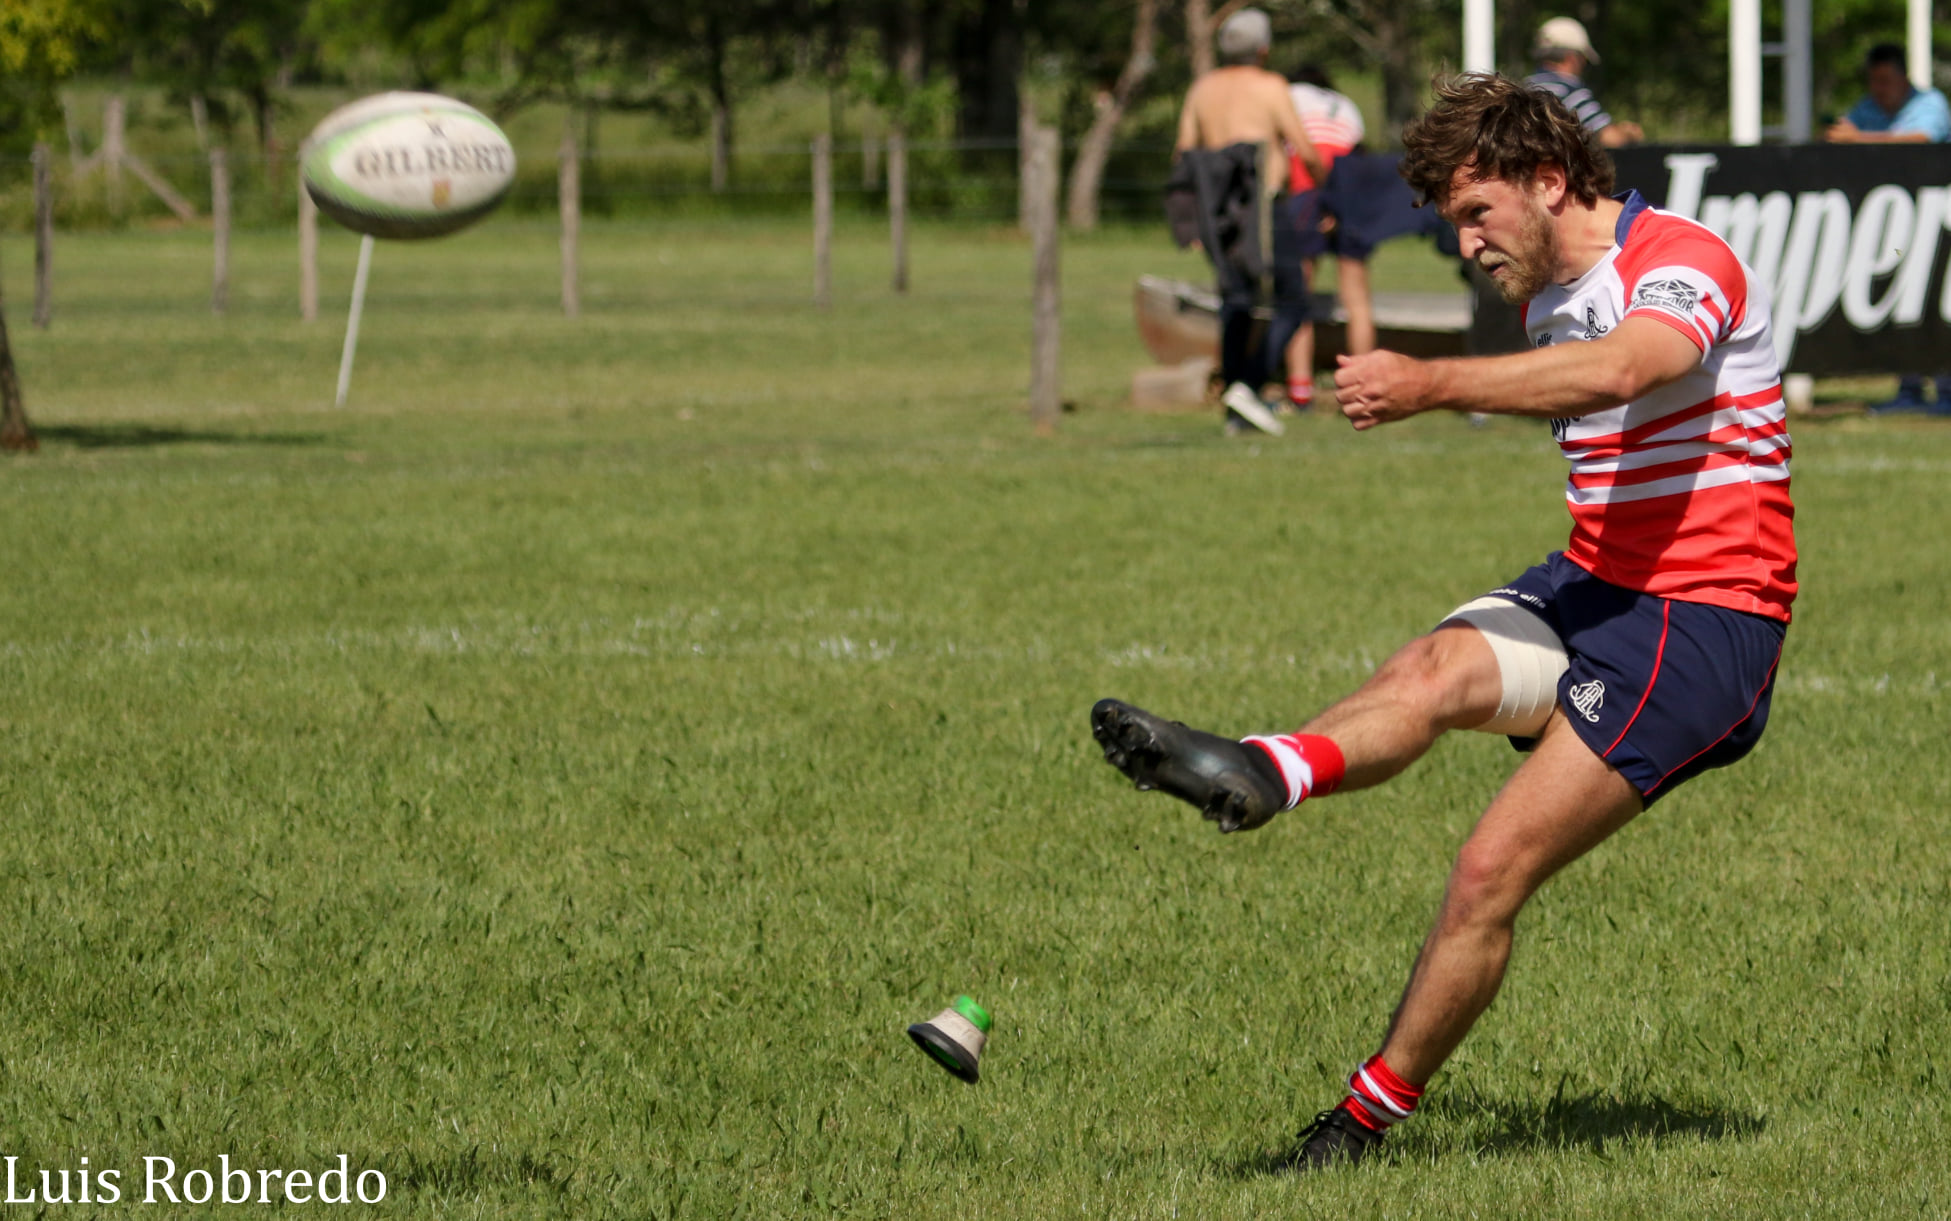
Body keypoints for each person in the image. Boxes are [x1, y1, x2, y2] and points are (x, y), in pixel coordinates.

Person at [1092, 73, 1794, 1169]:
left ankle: (1357, 1125)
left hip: (1702, 620)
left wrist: (1429, 384)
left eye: (1476, 212)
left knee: (1486, 871)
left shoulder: (1681, 259)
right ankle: (1261, 771)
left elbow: (1625, 366)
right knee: (1429, 671)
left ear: (1548, 180)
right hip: (1594, 583)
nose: (1465, 244)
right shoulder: (1546, 295)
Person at [1167, 8, 1326, 436]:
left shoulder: (1201, 89)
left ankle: (1236, 406)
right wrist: (1325, 189)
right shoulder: (1270, 86)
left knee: (1235, 299)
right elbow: (1304, 148)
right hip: (1264, 206)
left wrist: (1191, 219)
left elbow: (1183, 154)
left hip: (1217, 209)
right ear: (1264, 49)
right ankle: (1249, 386)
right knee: (1294, 300)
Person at [1826, 43, 1951, 414]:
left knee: (1939, 304)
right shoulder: (1867, 108)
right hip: (1896, 223)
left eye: (1885, 80)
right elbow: (1839, 137)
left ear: (1903, 77)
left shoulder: (1930, 103)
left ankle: (1945, 392)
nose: (1878, 88)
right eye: (1873, 80)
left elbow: (1923, 140)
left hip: (1940, 220)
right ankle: (1910, 389)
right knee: (1905, 302)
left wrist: (1858, 139)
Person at [1280, 65, 1375, 412]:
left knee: (1297, 297)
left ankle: (1300, 391)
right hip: (1351, 195)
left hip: (1306, 192)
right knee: (1358, 301)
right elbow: (1360, 154)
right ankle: (1363, 392)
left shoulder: (1289, 95)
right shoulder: (1346, 105)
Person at [1525, 16, 1643, 147]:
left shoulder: (1524, 88)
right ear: (1572, 58)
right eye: (1584, 59)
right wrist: (1628, 134)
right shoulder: (1569, 90)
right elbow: (1609, 138)